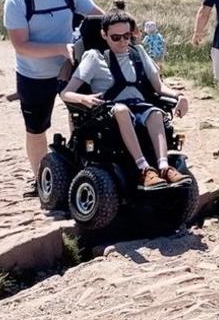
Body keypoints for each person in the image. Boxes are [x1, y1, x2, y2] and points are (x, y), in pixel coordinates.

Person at [3, 0, 103, 195]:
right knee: (36, 128)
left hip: (71, 70)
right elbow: (21, 45)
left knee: (82, 121)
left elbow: (97, 18)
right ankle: (41, 180)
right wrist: (61, 48)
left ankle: (82, 170)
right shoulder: (17, 1)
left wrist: (122, 27)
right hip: (33, 73)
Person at [61, 11, 189, 188]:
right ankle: (144, 169)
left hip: (139, 107)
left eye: (127, 36)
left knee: (155, 113)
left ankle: (164, 166)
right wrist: (83, 98)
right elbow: (66, 93)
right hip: (108, 111)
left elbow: (158, 86)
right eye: (116, 37)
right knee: (121, 110)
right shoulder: (94, 56)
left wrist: (179, 96)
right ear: (104, 35)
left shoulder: (139, 53)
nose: (122, 42)